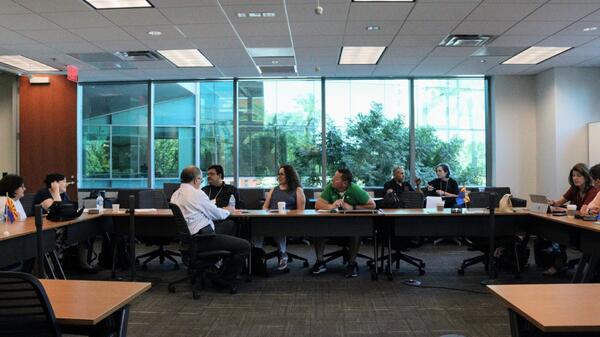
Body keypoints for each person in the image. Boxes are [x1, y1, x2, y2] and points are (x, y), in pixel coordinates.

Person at [171, 165, 250, 288]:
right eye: (201, 180)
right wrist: (229, 211)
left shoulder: (175, 195)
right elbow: (216, 214)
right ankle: (224, 279)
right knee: (244, 246)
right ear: (196, 179)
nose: (202, 182)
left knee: (229, 226)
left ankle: (216, 267)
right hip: (204, 239)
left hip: (189, 240)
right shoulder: (197, 194)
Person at [312, 168, 375, 278]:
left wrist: (353, 207)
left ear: (344, 183)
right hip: (331, 225)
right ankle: (320, 262)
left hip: (351, 225)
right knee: (317, 231)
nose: (332, 179)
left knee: (356, 234)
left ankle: (352, 264)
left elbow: (372, 205)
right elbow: (318, 205)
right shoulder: (331, 187)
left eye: (335, 178)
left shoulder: (355, 189)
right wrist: (332, 206)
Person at [545, 163, 598, 276]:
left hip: (587, 226)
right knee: (556, 231)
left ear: (586, 177)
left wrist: (567, 211)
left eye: (578, 175)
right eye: (573, 175)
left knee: (560, 233)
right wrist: (552, 203)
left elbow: (585, 212)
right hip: (573, 222)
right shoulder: (574, 189)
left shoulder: (593, 191)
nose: (575, 178)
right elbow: (559, 202)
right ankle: (559, 263)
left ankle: (559, 263)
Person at [254, 165, 306, 271]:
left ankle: (283, 254)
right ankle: (256, 255)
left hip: (288, 222)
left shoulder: (298, 190)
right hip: (271, 219)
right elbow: (265, 207)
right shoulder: (274, 189)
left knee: (279, 226)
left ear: (289, 176)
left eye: (282, 174)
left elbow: (301, 211)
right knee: (255, 227)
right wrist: (268, 212)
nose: (279, 176)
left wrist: (288, 212)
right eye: (278, 174)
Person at [201, 164, 240, 236]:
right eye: (208, 174)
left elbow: (235, 207)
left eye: (212, 174)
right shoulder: (204, 190)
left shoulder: (231, 189)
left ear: (219, 175)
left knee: (230, 224)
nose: (209, 176)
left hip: (224, 220)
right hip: (207, 221)